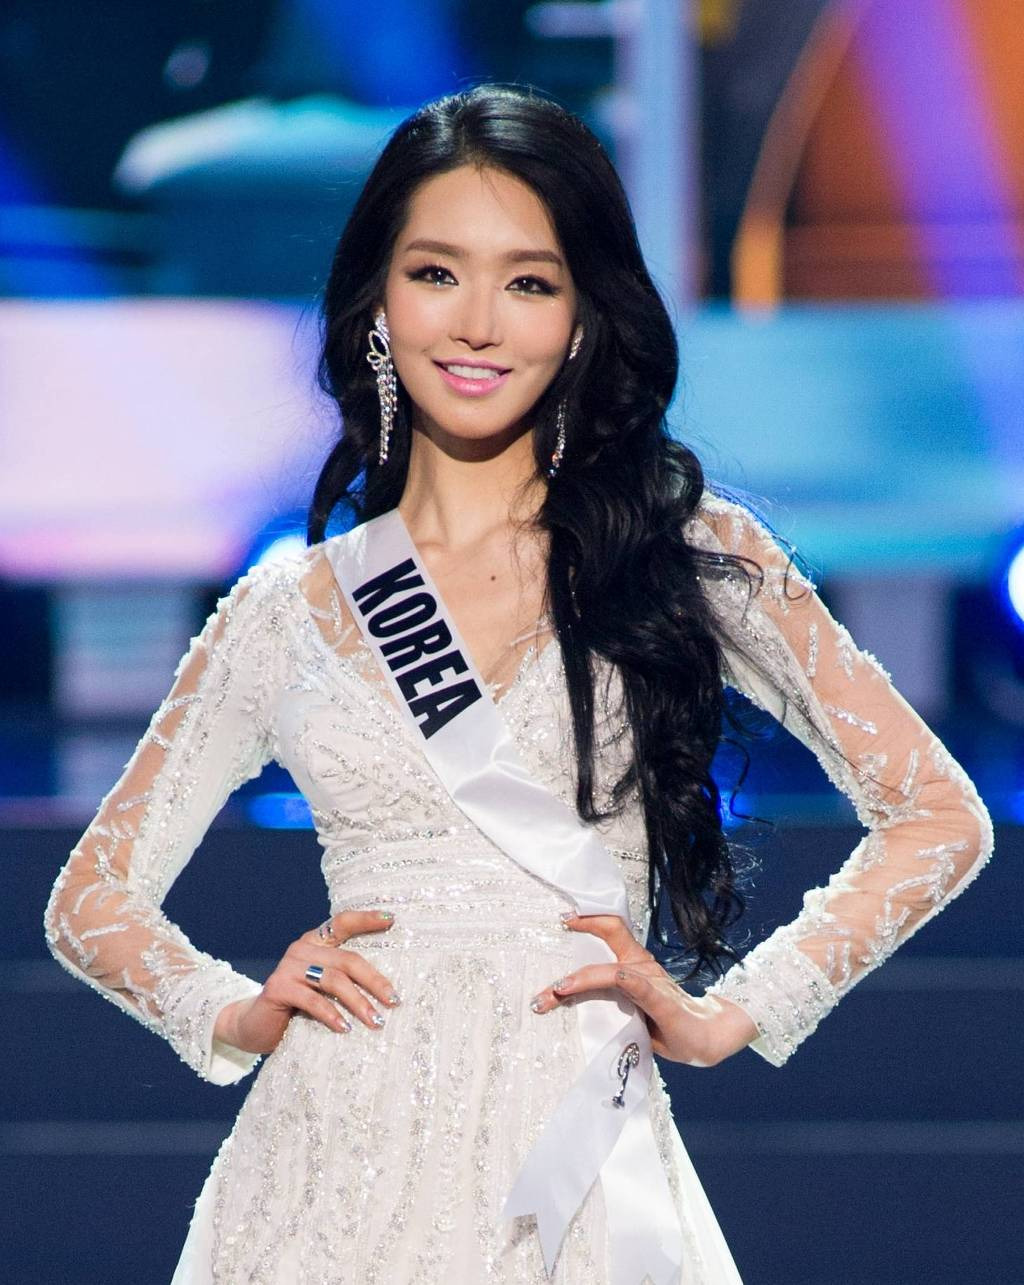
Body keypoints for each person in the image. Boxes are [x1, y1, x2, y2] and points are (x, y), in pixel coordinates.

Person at [44, 83, 993, 1284]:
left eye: (530, 282)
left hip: (583, 1164)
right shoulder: (291, 609)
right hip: (324, 1180)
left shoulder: (687, 551)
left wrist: (734, 1011)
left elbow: (936, 816)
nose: (479, 323)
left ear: (586, 317)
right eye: (437, 272)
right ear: (377, 302)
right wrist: (229, 1012)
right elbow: (91, 900)